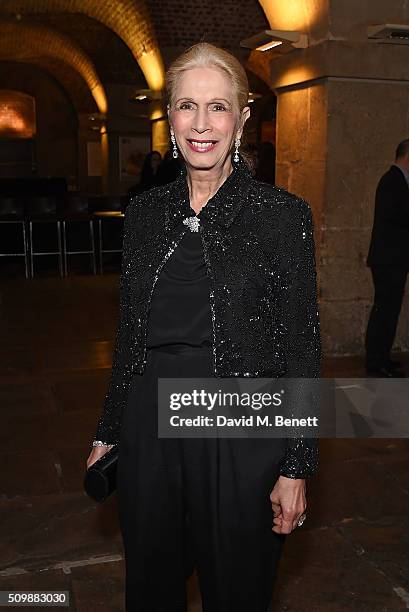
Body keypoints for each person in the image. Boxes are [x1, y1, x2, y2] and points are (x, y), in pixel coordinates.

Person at [87, 43, 321, 612]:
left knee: (239, 588)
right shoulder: (144, 215)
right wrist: (109, 428)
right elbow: (129, 337)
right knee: (150, 585)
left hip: (241, 432)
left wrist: (297, 465)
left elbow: (301, 348)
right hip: (150, 430)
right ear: (170, 116)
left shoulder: (282, 218)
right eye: (187, 106)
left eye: (218, 108)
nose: (201, 124)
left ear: (242, 119)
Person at [365, 139, 409, 377]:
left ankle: (383, 358)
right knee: (384, 311)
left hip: (394, 259)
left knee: (389, 310)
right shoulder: (392, 180)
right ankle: (376, 362)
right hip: (388, 259)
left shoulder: (398, 181)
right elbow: (399, 216)